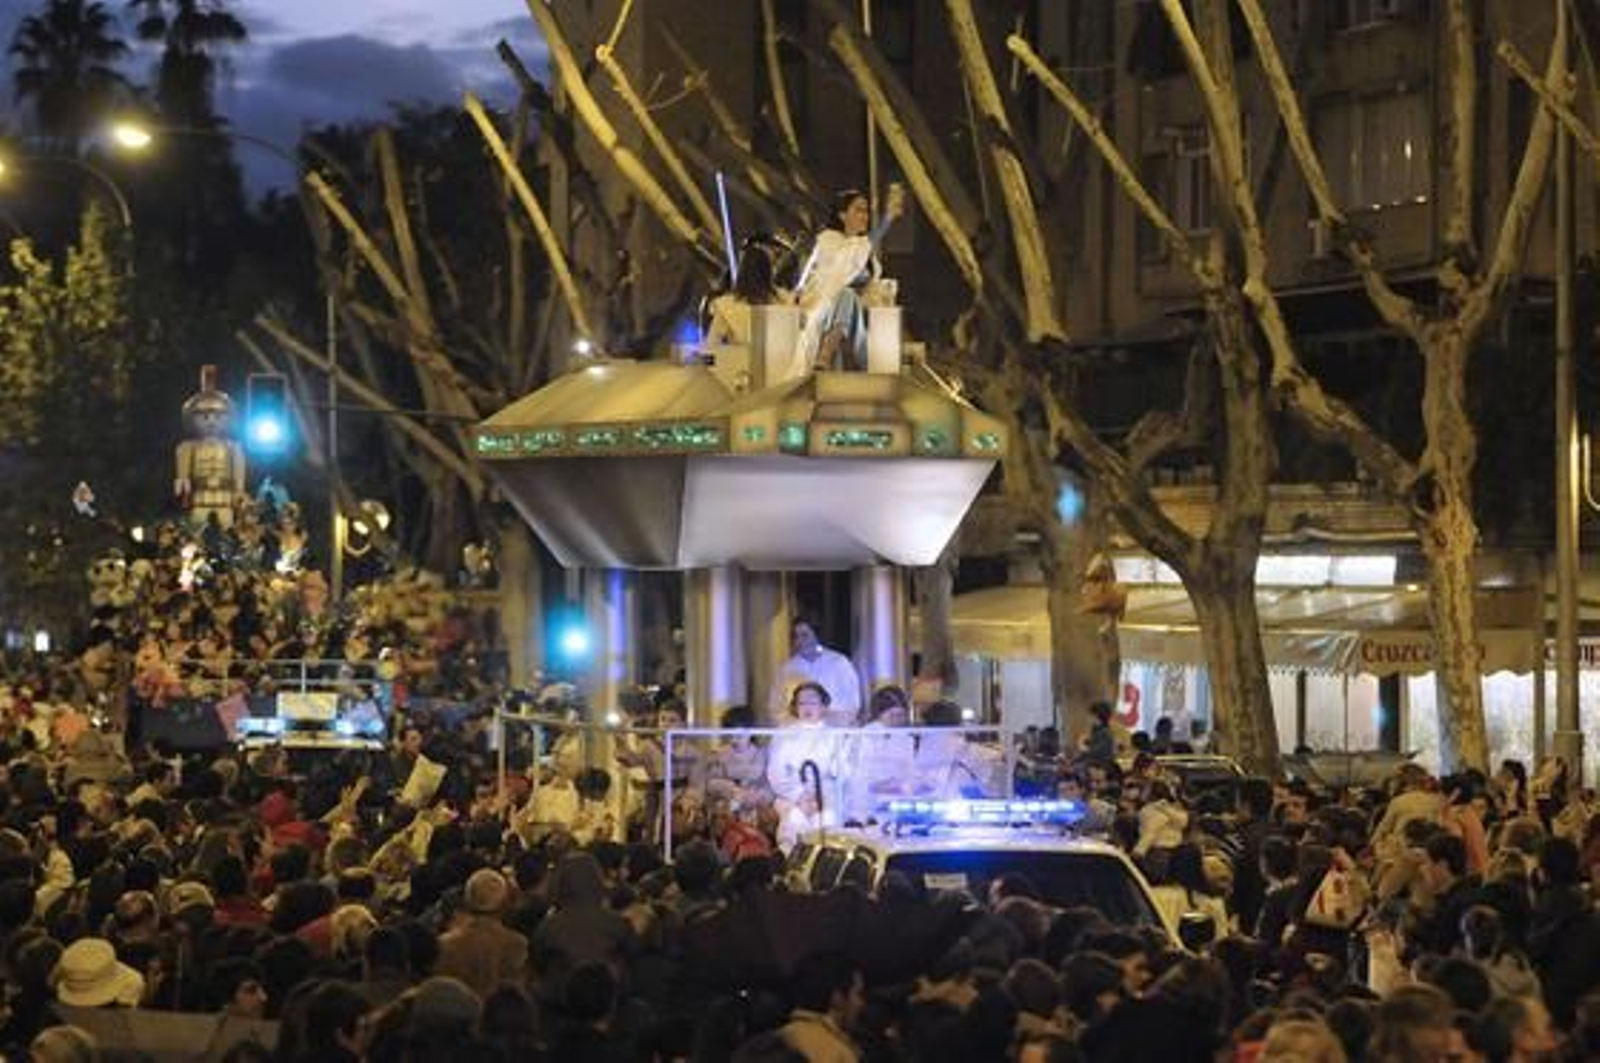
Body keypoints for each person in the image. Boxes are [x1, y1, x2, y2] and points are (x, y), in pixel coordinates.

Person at [795, 184, 905, 372]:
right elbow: (834, 276)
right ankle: (826, 353)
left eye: (866, 211)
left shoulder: (863, 249)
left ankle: (838, 354)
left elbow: (870, 283)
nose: (864, 216)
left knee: (852, 298)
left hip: (859, 317)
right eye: (858, 210)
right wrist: (887, 218)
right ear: (842, 215)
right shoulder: (828, 241)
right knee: (846, 295)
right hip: (824, 311)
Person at [768, 617, 861, 727]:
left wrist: (831, 719)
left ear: (816, 636)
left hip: (835, 729)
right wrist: (795, 723)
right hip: (799, 731)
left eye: (805, 635)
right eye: (796, 636)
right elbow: (776, 706)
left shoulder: (839, 662)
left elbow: (852, 702)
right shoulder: (787, 669)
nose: (799, 641)